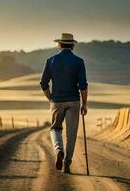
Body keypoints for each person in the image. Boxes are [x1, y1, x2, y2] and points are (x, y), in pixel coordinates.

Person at [40, 33, 88, 174]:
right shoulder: (79, 61)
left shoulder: (51, 60)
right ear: (72, 45)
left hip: (57, 100)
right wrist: (84, 104)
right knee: (71, 134)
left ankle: (58, 149)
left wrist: (50, 98)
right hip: (74, 101)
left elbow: (43, 83)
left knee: (55, 128)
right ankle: (67, 165)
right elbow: (83, 85)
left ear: (59, 44)